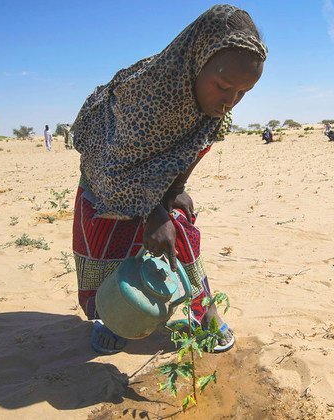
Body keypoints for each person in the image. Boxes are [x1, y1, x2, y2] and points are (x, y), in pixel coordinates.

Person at [70, 4, 267, 354]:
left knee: (181, 234)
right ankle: (109, 315)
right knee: (107, 242)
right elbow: (111, 167)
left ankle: (204, 313)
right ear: (196, 61)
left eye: (242, 93)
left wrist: (174, 190)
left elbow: (197, 146)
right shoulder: (143, 99)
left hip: (155, 181)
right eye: (223, 87)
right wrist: (153, 215)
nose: (230, 101)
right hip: (106, 178)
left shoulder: (211, 106)